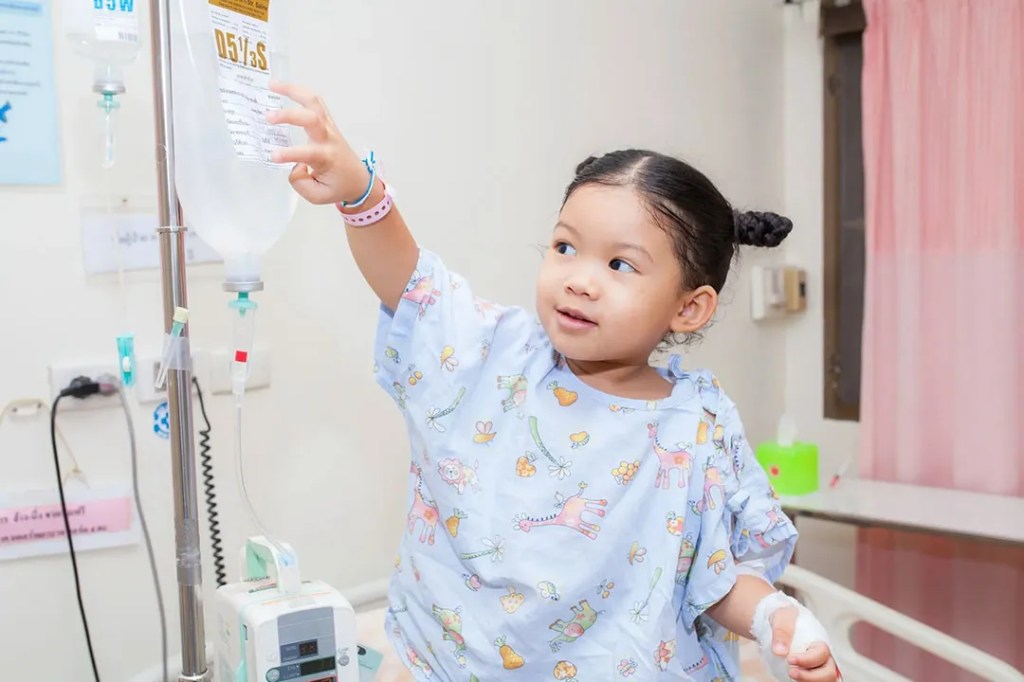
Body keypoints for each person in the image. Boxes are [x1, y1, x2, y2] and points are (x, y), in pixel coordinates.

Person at [267, 81, 840, 682]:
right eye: (566, 246)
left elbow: (715, 578)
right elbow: (412, 286)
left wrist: (776, 618)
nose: (580, 279)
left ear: (689, 308)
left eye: (619, 264)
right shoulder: (498, 357)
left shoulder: (697, 427)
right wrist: (363, 195)